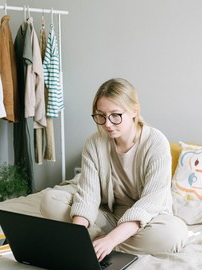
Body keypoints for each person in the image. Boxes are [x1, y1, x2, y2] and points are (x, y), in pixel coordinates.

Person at [40, 78, 188, 261]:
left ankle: (101, 243)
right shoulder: (94, 143)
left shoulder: (156, 142)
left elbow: (151, 202)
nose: (107, 124)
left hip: (146, 220)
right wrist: (75, 239)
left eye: (115, 115)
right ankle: (93, 242)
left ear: (134, 111)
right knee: (49, 200)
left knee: (174, 233)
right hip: (109, 216)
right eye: (100, 115)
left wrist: (111, 240)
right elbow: (88, 195)